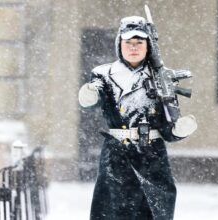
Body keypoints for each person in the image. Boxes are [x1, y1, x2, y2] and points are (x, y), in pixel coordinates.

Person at [78, 16, 197, 220]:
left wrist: (178, 130)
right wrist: (88, 94)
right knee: (112, 211)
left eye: (139, 42)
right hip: (117, 156)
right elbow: (93, 98)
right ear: (120, 44)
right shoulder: (103, 74)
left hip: (152, 156)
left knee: (154, 211)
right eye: (128, 43)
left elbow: (167, 124)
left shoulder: (160, 76)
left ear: (148, 45)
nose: (134, 48)